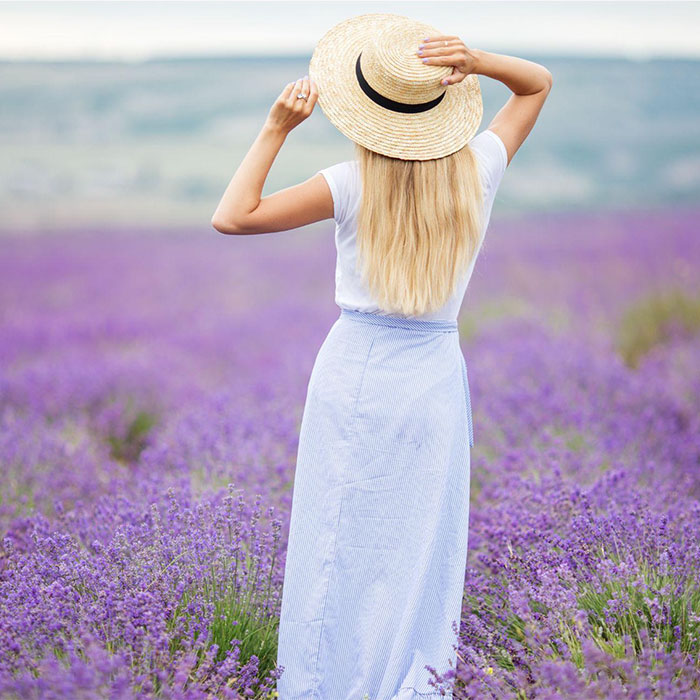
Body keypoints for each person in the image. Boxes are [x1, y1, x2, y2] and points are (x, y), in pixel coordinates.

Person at [211, 12, 552, 700]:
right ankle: (412, 683)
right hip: (434, 376)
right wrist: (477, 59)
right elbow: (538, 85)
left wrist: (276, 129)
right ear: (441, 108)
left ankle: (324, 683)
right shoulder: (478, 170)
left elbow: (233, 215)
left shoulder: (347, 183)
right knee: (419, 545)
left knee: (337, 535)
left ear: (365, 113)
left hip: (355, 369)